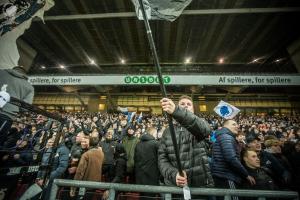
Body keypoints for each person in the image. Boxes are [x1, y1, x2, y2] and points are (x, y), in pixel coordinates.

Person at [158, 95, 214, 190]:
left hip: (200, 186)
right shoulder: (167, 132)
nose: (186, 106)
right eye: (182, 104)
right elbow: (162, 160)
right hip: (174, 186)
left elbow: (204, 130)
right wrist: (174, 174)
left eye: (189, 104)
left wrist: (177, 110)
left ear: (193, 109)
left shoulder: (201, 123)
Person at [211, 119, 255, 193]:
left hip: (223, 175)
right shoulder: (226, 137)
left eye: (237, 124)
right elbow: (231, 158)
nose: (237, 126)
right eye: (234, 124)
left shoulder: (225, 136)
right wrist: (246, 175)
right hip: (227, 176)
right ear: (225, 126)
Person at [0, 66, 34, 146]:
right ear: (25, 74)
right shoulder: (29, 87)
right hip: (7, 114)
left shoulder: (1, 73)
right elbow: (26, 106)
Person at [134, 127, 160, 200]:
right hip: (152, 177)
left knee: (142, 196)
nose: (157, 135)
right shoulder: (156, 143)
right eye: (156, 133)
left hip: (140, 177)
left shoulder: (138, 144)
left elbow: (135, 159)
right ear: (153, 133)